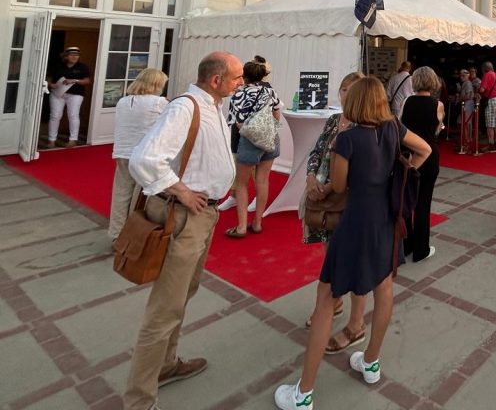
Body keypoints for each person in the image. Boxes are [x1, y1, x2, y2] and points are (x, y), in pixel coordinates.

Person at [275, 77, 430, 407]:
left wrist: (325, 181)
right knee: (384, 288)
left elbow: (339, 185)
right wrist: (402, 172)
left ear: (355, 101)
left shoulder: (347, 139)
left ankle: (304, 393)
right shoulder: (393, 128)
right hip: (384, 220)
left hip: (355, 220)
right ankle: (371, 361)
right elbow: (425, 149)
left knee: (326, 298)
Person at [123, 52, 244, 410]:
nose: (241, 82)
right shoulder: (185, 108)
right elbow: (144, 159)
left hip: (201, 215)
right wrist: (182, 191)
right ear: (216, 80)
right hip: (184, 215)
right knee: (165, 309)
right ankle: (139, 400)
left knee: (182, 295)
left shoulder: (213, 106)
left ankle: (166, 364)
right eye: (236, 77)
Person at [302, 71, 363, 336]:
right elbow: (317, 151)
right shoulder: (333, 120)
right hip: (323, 200)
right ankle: (335, 301)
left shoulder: (365, 126)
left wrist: (329, 187)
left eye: (352, 90)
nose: (346, 94)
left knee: (351, 259)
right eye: (343, 89)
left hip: (347, 200)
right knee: (330, 253)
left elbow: (360, 169)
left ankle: (352, 318)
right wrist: (310, 178)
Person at [225, 56, 282, 238]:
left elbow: (237, 123)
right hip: (270, 139)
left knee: (242, 184)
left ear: (244, 77)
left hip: (249, 141)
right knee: (263, 181)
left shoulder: (238, 95)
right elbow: (277, 115)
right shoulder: (270, 92)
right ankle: (257, 222)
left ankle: (241, 226)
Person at [108, 69, 168, 242]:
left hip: (122, 151)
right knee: (140, 198)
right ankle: (132, 235)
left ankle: (116, 233)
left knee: (121, 194)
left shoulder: (123, 101)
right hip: (144, 154)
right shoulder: (159, 102)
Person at [401, 66, 444, 262]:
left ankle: (407, 245)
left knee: (406, 200)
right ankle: (421, 249)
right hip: (429, 155)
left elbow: (401, 126)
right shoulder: (438, 105)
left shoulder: (407, 101)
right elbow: (436, 131)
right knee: (423, 203)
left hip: (409, 155)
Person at [44, 46, 92, 148]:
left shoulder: (82, 67)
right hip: (57, 94)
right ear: (66, 56)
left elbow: (87, 81)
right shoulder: (57, 66)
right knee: (55, 116)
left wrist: (75, 80)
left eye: (77, 55)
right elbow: (49, 77)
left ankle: (73, 140)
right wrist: (50, 84)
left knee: (73, 115)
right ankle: (51, 140)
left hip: (75, 94)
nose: (74, 57)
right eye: (72, 55)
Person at [478, 61, 496, 152]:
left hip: (493, 99)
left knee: (490, 124)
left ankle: (491, 144)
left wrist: (478, 89)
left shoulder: (487, 75)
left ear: (484, 68)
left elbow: (482, 90)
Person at [456, 68, 477, 154]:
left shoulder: (468, 83)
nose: (461, 77)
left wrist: (459, 99)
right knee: (462, 122)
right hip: (466, 104)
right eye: (460, 75)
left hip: (468, 104)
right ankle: (465, 142)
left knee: (465, 123)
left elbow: (468, 95)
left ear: (467, 75)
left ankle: (467, 142)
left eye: (463, 75)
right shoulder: (466, 83)